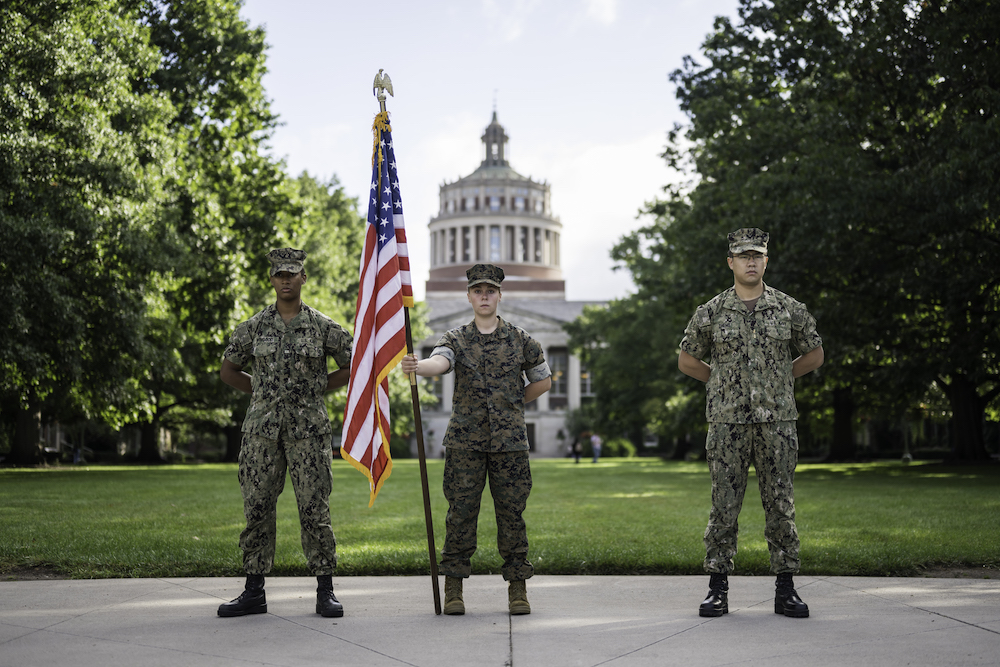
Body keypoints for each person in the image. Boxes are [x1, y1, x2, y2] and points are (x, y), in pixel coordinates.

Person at [678, 228, 824, 619]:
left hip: (777, 422)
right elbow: (688, 359)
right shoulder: (710, 311)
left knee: (780, 504)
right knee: (724, 506)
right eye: (743, 256)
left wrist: (779, 378)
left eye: (757, 255)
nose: (750, 262)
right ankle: (717, 588)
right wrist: (723, 381)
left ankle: (786, 588)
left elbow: (814, 354)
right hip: (727, 423)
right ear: (731, 262)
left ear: (765, 261)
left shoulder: (788, 308)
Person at [401, 264, 551, 616]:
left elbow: (543, 381)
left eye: (490, 291)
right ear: (469, 296)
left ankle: (517, 589)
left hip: (510, 445)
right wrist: (419, 366)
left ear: (499, 296)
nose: (484, 296)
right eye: (478, 291)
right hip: (465, 444)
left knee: (512, 516)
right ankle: (453, 588)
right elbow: (441, 363)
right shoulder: (455, 338)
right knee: (461, 515)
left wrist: (513, 403)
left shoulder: (521, 339)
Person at [217, 248, 353, 619]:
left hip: (308, 433)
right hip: (262, 434)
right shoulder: (253, 327)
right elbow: (228, 371)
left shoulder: (324, 327)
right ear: (272, 280)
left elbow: (354, 365)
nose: (286, 279)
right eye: (280, 274)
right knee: (257, 508)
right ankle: (253, 591)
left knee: (314, 510)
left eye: (293, 273)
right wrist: (260, 393)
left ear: (303, 278)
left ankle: (325, 590)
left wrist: (317, 387)